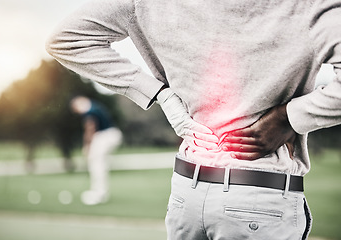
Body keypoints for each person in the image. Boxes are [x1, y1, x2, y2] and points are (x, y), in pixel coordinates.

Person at [46, 0, 341, 238]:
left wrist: (162, 96)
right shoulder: (312, 5)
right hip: (260, 198)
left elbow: (65, 39)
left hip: (186, 195)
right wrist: (288, 119)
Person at [70, 96, 122, 205]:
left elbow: (90, 129)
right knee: (100, 164)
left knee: (96, 164)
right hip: (112, 135)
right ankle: (100, 192)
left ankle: (99, 193)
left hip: (105, 136)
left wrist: (87, 147)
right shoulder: (95, 106)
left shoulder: (89, 110)